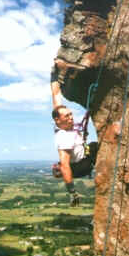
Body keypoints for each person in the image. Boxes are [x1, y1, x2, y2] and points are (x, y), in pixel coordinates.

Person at [50, 60, 98, 207]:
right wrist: (72, 192)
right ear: (58, 120)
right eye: (67, 117)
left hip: (81, 155)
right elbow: (65, 164)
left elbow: (56, 95)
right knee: (98, 147)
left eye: (71, 114)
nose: (71, 118)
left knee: (93, 145)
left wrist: (53, 76)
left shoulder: (60, 118)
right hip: (82, 165)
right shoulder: (63, 137)